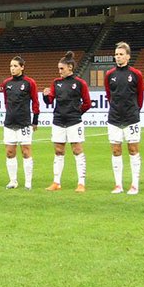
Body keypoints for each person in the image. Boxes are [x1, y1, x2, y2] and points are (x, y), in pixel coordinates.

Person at [44, 51, 92, 192]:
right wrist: (45, 96)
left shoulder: (79, 83)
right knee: (58, 151)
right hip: (58, 120)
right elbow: (50, 100)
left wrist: (76, 113)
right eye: (59, 69)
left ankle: (81, 183)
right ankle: (56, 182)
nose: (59, 71)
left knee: (77, 150)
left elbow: (87, 103)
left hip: (74, 122)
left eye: (62, 68)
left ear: (70, 67)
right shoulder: (56, 83)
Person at [105, 42, 144, 194]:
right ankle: (118, 185)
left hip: (131, 117)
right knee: (115, 150)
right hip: (114, 117)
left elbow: (140, 96)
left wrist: (134, 109)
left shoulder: (135, 74)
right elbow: (109, 95)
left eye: (121, 54)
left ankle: (134, 184)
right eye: (116, 54)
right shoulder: (110, 74)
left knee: (133, 149)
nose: (118, 57)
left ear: (128, 56)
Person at [1, 56, 40, 190]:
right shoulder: (6, 83)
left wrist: (35, 120)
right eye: (11, 66)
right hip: (9, 122)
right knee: (10, 152)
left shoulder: (30, 82)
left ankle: (28, 182)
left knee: (25, 152)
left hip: (24, 123)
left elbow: (35, 101)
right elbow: (6, 102)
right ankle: (13, 181)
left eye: (15, 66)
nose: (12, 68)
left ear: (22, 67)